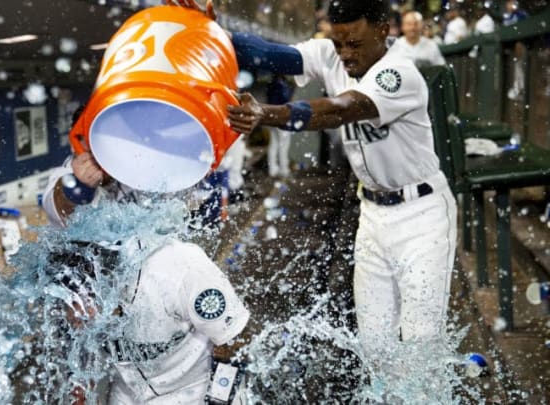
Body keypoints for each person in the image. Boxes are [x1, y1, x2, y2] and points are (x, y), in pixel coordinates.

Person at [169, 0, 457, 359]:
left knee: (419, 343)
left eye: (355, 43)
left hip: (421, 214)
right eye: (339, 43)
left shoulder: (399, 73)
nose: (345, 54)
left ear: (384, 30)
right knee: (374, 345)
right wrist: (212, 32)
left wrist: (266, 113)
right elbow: (269, 53)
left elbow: (339, 109)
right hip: (372, 213)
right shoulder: (331, 53)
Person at [41, 118, 250, 404]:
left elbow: (233, 337)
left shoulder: (176, 268)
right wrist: (80, 184)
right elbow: (58, 205)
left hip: (191, 393)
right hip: (130, 394)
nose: (75, 318)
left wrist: (219, 398)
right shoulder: (71, 174)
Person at [265, 74, 294, 178]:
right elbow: (286, 99)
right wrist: (291, 88)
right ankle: (284, 169)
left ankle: (272, 169)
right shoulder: (281, 85)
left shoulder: (270, 84)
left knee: (274, 144)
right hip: (282, 118)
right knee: (283, 145)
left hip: (271, 117)